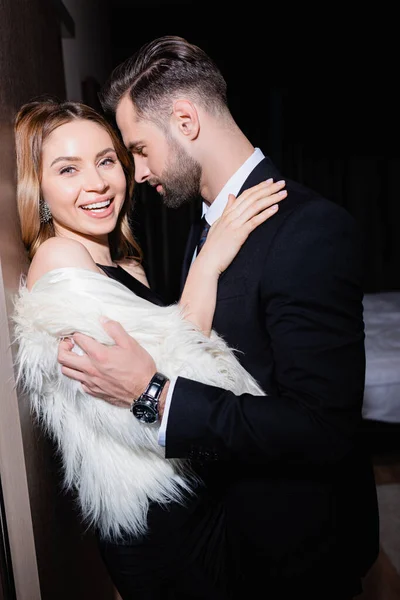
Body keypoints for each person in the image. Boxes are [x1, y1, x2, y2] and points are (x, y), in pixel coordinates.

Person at [57, 35, 381, 599]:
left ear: (184, 121)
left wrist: (155, 394)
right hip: (234, 549)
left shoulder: (307, 230)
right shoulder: (205, 223)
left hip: (298, 554)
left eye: (137, 150)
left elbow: (325, 430)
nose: (135, 174)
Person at [12, 97, 286, 600]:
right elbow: (165, 378)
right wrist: (209, 262)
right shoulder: (58, 256)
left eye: (106, 160)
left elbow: (164, 373)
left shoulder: (125, 265)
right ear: (41, 190)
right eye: (67, 169)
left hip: (193, 493)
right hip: (156, 521)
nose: (96, 183)